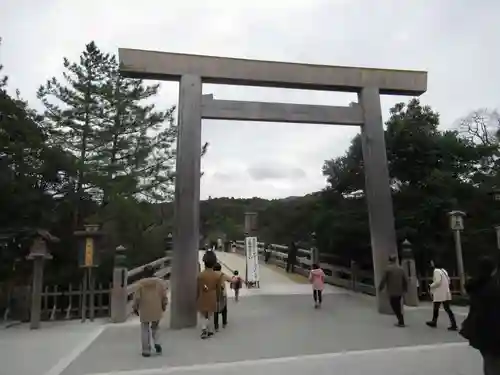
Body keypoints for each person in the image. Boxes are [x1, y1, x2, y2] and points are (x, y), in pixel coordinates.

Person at [460, 256, 500, 375]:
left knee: (490, 364)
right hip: (494, 336)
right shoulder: (493, 288)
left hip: (483, 334)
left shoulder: (478, 286)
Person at [132, 265, 168, 357]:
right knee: (155, 327)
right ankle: (157, 342)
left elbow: (137, 298)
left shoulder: (140, 284)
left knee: (145, 328)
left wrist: (135, 308)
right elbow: (164, 295)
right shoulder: (160, 283)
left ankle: (146, 350)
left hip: (144, 309)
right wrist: (164, 305)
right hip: (156, 307)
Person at [197, 251, 222, 339]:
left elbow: (198, 287)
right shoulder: (217, 276)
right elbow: (219, 288)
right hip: (213, 295)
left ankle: (204, 328)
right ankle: (210, 329)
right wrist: (218, 298)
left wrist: (196, 297)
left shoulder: (200, 275)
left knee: (203, 314)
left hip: (203, 295)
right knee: (210, 313)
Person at [426, 260, 458, 331]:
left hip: (439, 292)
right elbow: (448, 280)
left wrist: (431, 286)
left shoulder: (436, 271)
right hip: (445, 292)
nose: (431, 264)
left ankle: (434, 322)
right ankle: (454, 323)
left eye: (432, 262)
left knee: (436, 307)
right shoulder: (443, 271)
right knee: (447, 308)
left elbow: (437, 282)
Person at [378, 255, 408, 327]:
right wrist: (405, 289)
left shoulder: (388, 269)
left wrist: (380, 288)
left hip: (392, 290)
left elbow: (384, 280)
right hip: (400, 290)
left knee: (394, 305)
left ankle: (401, 320)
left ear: (389, 260)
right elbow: (405, 280)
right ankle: (400, 319)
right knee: (397, 304)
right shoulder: (401, 269)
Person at [213, 262, 232, 331]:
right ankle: (224, 323)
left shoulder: (211, 275)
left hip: (214, 295)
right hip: (222, 295)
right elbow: (231, 280)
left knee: (215, 311)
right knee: (224, 309)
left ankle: (216, 327)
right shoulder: (223, 275)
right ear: (220, 268)